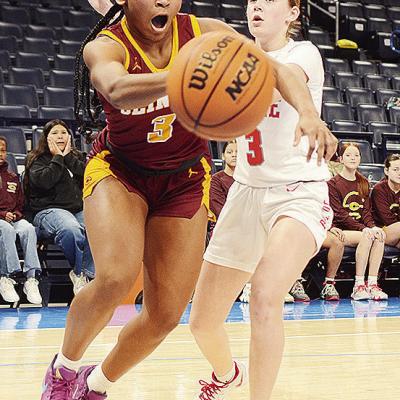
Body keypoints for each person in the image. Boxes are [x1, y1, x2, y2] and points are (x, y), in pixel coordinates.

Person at [40, 1, 337, 399]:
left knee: (168, 314)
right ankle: (63, 372)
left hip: (192, 179)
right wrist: (186, 75)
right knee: (119, 279)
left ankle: (95, 386)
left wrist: (308, 112)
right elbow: (115, 88)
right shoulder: (106, 45)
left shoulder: (210, 34)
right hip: (124, 169)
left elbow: (276, 70)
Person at [189, 1, 337, 399]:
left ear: (292, 13)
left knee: (265, 293)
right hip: (245, 193)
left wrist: (309, 112)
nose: (257, 5)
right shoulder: (231, 57)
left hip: (299, 191)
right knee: (201, 321)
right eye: (253, 0)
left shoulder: (301, 52)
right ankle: (226, 375)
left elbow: (285, 75)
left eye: (270, 0)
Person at [24, 120, 95, 296]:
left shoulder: (77, 157)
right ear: (46, 138)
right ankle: (80, 273)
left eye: (63, 132)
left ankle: (85, 275)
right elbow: (43, 182)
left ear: (70, 137)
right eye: (55, 133)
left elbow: (88, 176)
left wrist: (68, 157)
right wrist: (57, 158)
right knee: (71, 229)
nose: (60, 136)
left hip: (77, 209)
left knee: (97, 230)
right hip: (47, 211)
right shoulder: (36, 159)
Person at [328, 143, 387, 301]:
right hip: (340, 230)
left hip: (360, 229)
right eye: (348, 155)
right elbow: (339, 214)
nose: (353, 158)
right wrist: (363, 229)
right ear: (340, 159)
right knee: (368, 236)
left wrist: (373, 226)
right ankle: (358, 285)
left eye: (356, 155)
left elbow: (366, 211)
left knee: (379, 236)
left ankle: (372, 284)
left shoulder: (363, 183)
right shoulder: (333, 184)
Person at [0, 137, 42, 305]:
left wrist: (15, 215)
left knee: (28, 229)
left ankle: (31, 279)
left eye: (2, 150)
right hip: (2, 220)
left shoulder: (12, 177)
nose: (0, 153)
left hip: (12, 218)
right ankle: (7, 276)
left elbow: (20, 204)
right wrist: (3, 214)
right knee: (6, 229)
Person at [371, 154, 400, 247]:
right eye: (395, 170)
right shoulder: (379, 189)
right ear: (386, 171)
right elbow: (387, 219)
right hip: (382, 231)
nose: (399, 173)